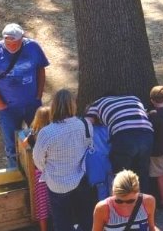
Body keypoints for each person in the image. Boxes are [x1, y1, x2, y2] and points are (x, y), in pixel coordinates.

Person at [0, 22, 48, 168]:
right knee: (12, 146)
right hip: (8, 109)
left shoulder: (33, 47)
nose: (10, 46)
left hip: (32, 104)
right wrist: (1, 105)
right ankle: (15, 173)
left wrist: (38, 96)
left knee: (39, 138)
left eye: (14, 43)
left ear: (22, 38)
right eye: (7, 42)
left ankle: (38, 170)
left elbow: (40, 69)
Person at [33, 89, 93, 231]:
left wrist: (46, 170)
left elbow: (37, 159)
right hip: (80, 178)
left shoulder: (46, 132)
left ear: (54, 106)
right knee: (84, 217)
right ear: (73, 105)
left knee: (61, 221)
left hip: (56, 183)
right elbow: (89, 145)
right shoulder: (85, 124)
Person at [84, 93, 155, 198]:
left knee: (122, 176)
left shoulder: (96, 104)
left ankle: (124, 206)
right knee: (142, 172)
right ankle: (143, 205)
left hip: (124, 137)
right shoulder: (134, 98)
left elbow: (87, 122)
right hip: (146, 135)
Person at [91, 169, 157, 231]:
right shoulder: (103, 208)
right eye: (119, 201)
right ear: (113, 193)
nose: (124, 205)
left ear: (138, 192)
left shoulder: (148, 201)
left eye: (130, 201)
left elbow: (151, 227)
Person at [26, 106, 53, 231]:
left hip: (39, 174)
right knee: (53, 202)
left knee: (42, 205)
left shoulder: (34, 133)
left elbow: (24, 143)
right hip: (53, 172)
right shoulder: (54, 133)